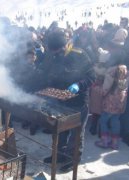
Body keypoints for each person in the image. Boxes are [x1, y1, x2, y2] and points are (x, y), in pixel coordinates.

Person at [38, 29, 95, 172]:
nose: (56, 54)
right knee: (59, 130)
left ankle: (73, 159)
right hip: (59, 100)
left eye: (58, 51)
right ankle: (58, 155)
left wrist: (78, 85)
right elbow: (47, 73)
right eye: (54, 52)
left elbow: (91, 77)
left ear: (65, 46)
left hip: (79, 101)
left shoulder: (80, 55)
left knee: (76, 133)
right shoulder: (53, 55)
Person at [95, 65, 129, 150]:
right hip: (119, 106)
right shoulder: (126, 81)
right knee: (115, 122)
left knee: (103, 121)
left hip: (109, 105)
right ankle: (114, 143)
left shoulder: (110, 79)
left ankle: (105, 141)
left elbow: (104, 90)